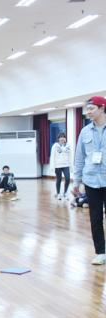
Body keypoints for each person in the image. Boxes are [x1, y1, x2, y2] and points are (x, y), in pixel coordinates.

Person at [73, 95, 106, 265]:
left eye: (92, 108)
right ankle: (101, 252)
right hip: (91, 180)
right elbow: (79, 157)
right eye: (87, 109)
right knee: (95, 218)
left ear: (102, 108)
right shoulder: (85, 131)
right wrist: (76, 181)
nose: (88, 112)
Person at [50, 132, 72, 200]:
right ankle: (58, 193)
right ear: (58, 138)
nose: (62, 138)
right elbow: (52, 157)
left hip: (66, 165)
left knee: (68, 178)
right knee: (59, 179)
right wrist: (52, 167)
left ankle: (65, 193)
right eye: (61, 137)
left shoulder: (68, 146)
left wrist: (71, 166)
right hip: (58, 165)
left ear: (65, 138)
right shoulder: (55, 146)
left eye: (63, 137)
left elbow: (70, 156)